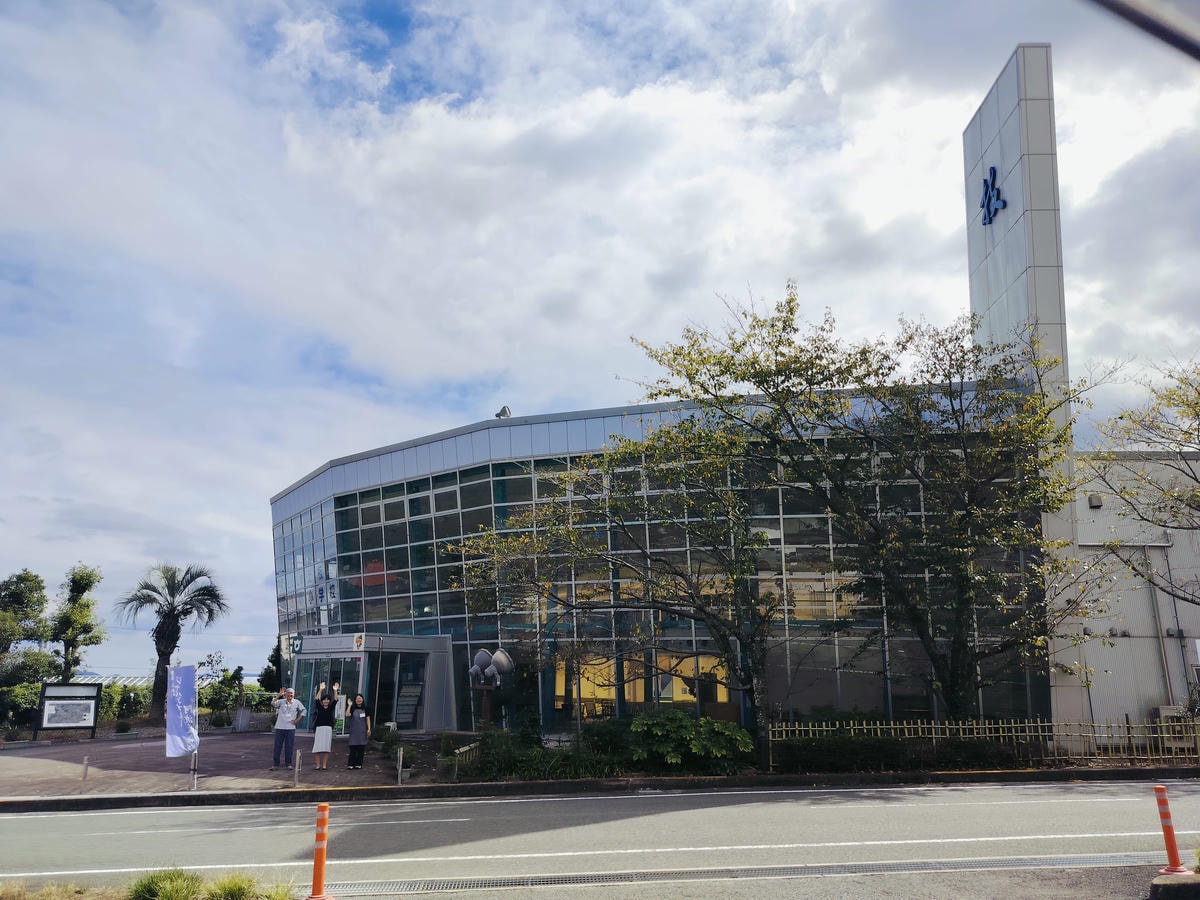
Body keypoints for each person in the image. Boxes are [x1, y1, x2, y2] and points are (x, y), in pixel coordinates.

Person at [270, 687, 306, 770]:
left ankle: (288, 763)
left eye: (291, 693)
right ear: (285, 694)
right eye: (288, 693)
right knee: (277, 746)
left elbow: (304, 710)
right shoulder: (281, 701)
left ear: (294, 694)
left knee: (289, 746)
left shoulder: (297, 702)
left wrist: (297, 720)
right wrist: (279, 695)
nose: (290, 695)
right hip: (280, 727)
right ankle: (275, 764)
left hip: (290, 728)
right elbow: (273, 703)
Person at [346, 693, 371, 769]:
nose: (358, 700)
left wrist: (369, 729)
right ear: (355, 700)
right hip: (354, 731)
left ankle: (358, 764)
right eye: (357, 698)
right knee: (353, 748)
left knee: (361, 748)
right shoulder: (352, 708)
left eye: (360, 698)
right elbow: (347, 714)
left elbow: (368, 719)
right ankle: (351, 764)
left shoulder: (365, 708)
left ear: (362, 699)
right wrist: (349, 705)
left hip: (362, 731)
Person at [311, 694, 335, 770]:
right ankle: (318, 765)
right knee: (317, 747)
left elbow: (336, 700)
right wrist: (320, 689)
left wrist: (335, 691)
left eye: (327, 699)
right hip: (319, 728)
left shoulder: (331, 707)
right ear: (322, 701)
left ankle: (324, 766)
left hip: (328, 729)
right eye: (324, 699)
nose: (326, 701)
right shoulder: (319, 707)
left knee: (326, 748)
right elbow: (316, 699)